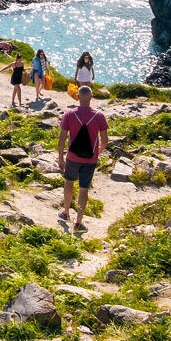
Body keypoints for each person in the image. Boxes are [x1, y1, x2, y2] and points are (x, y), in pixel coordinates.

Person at [58, 84, 108, 232]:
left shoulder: (69, 114)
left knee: (68, 183)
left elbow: (62, 139)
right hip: (90, 159)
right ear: (91, 97)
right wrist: (97, 153)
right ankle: (79, 222)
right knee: (83, 190)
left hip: (72, 157)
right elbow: (105, 140)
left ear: (77, 97)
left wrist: (61, 157)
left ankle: (66, 213)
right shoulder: (99, 116)